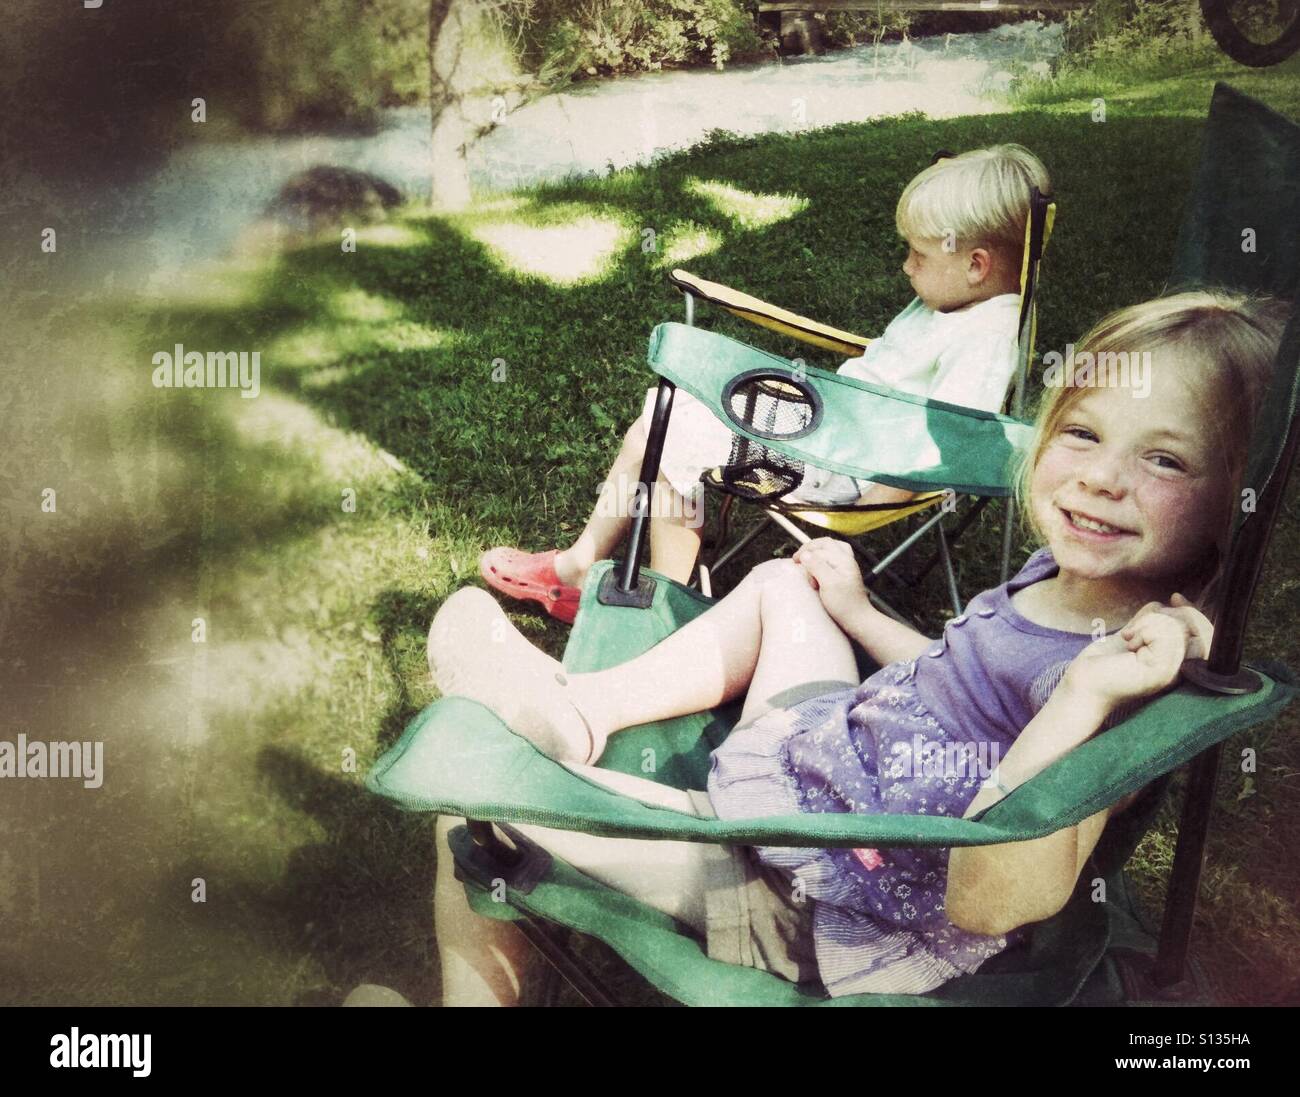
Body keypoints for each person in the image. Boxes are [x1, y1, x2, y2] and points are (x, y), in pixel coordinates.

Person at [429, 292, 1286, 1005]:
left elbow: (990, 902)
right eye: (1084, 434)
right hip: (838, 756)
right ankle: (579, 712)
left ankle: (541, 758)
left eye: (1166, 460)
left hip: (820, 886)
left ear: (1233, 507)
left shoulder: (1124, 672)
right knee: (783, 585)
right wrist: (857, 610)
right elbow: (967, 684)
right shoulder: (1074, 571)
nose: (1102, 477)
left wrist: (1085, 701)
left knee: (471, 802)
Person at [479, 144, 1052, 621]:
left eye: (918, 254)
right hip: (825, 429)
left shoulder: (983, 342)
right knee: (663, 410)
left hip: (843, 466)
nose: (906, 266)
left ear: (976, 265)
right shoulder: (952, 302)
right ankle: (585, 563)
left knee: (672, 430)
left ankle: (666, 609)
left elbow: (939, 445)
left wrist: (864, 517)